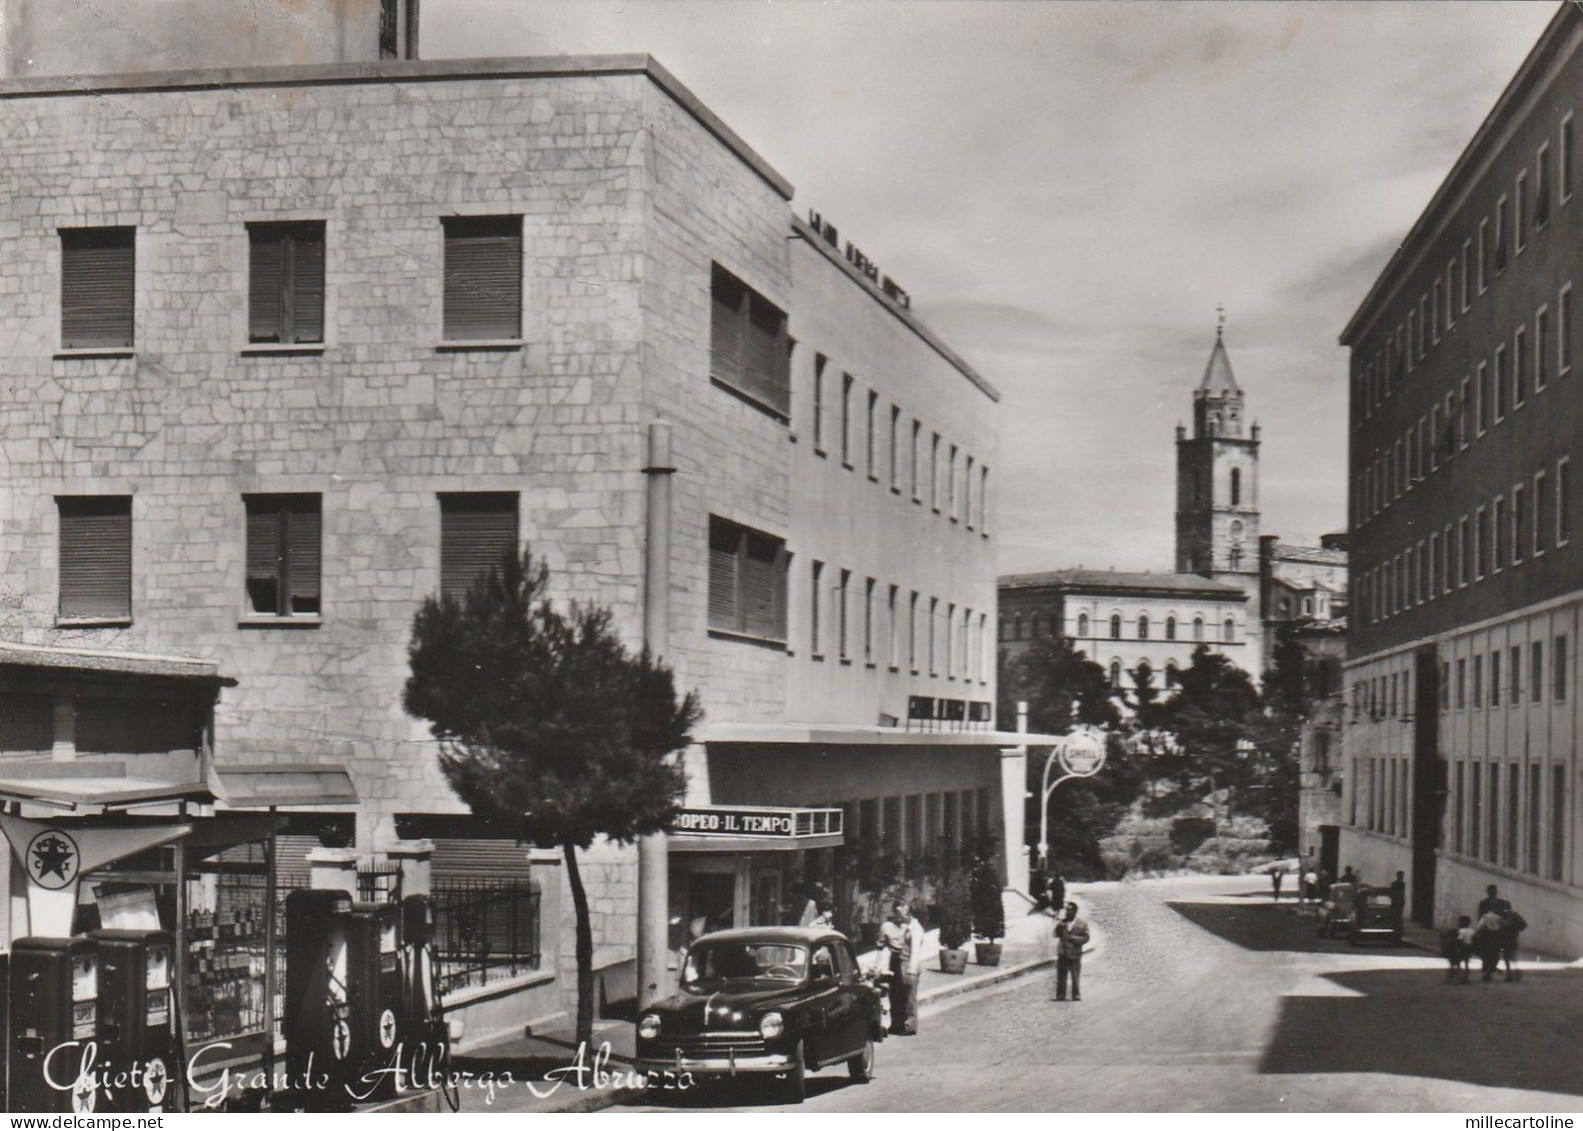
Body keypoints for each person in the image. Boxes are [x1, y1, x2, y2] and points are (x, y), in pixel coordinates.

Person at [880, 900, 925, 1033]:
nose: (898, 916)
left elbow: (915, 952)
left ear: (908, 912)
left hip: (909, 965)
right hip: (902, 963)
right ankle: (898, 1024)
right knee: (898, 994)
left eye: (900, 913)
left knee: (909, 996)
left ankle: (909, 1026)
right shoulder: (908, 927)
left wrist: (911, 970)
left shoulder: (916, 930)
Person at [1053, 901, 1090, 1002]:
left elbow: (1086, 937)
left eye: (1070, 910)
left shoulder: (1081, 924)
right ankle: (1060, 995)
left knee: (1075, 975)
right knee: (1061, 976)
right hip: (1063, 953)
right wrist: (1058, 927)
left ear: (1075, 912)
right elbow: (1055, 934)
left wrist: (1076, 939)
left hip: (1075, 953)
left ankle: (1076, 994)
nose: (1067, 912)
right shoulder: (1062, 923)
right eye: (1067, 910)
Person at [1473, 907, 1506, 982]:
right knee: (1494, 954)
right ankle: (1490, 972)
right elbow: (1503, 925)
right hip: (1496, 937)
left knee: (1486, 955)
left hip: (1486, 937)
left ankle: (1486, 973)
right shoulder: (1498, 917)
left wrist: (1475, 934)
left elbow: (1479, 926)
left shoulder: (1485, 916)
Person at [1441, 915, 1473, 984]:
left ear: (1460, 923)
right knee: (1467, 963)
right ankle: (1466, 978)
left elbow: (1459, 940)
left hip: (1461, 948)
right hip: (1469, 948)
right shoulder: (1471, 931)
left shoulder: (1460, 931)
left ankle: (1453, 978)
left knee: (1455, 964)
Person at [1499, 908, 1527, 981]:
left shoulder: (1504, 915)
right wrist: (1515, 928)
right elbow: (1524, 925)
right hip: (1512, 938)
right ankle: (1514, 973)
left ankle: (1510, 975)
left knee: (1507, 957)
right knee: (1511, 957)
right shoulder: (1514, 915)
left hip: (1507, 939)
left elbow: (1524, 925)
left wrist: (1513, 927)